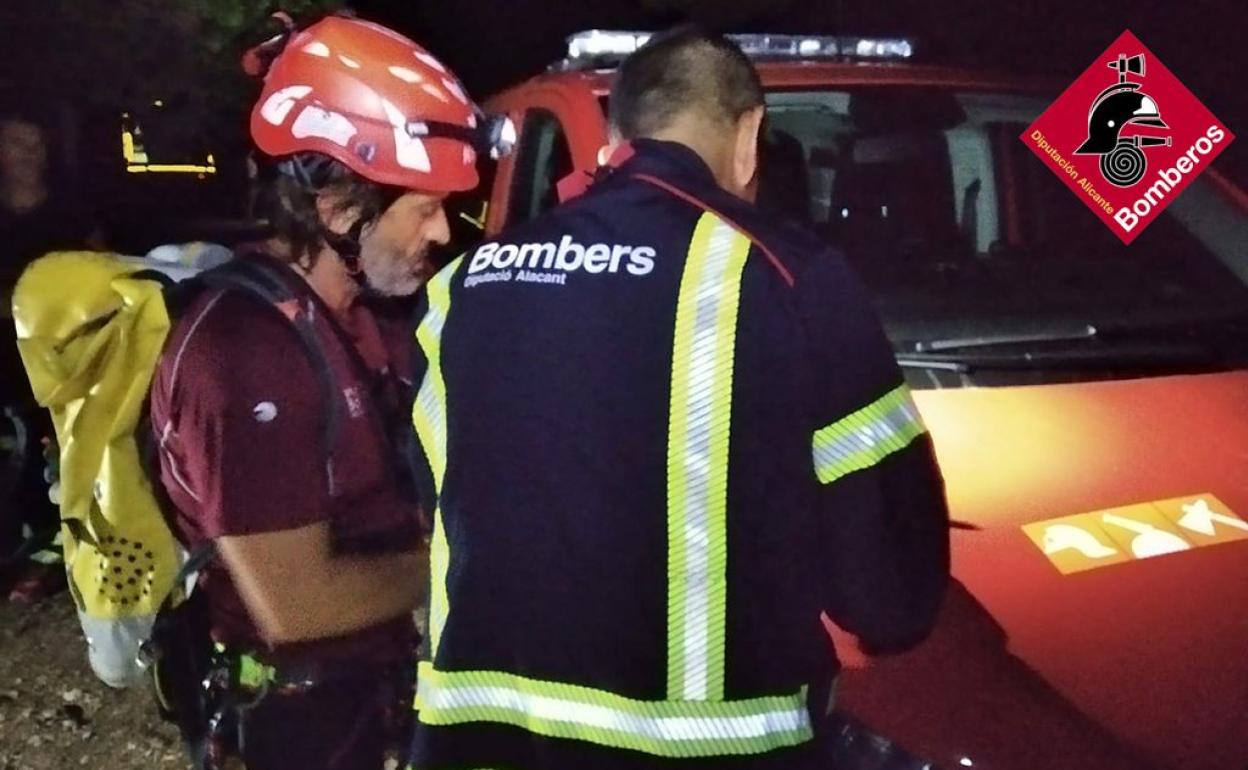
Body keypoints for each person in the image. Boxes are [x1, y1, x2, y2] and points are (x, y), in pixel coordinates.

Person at [404, 27, 951, 770]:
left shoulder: (462, 287)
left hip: (475, 744)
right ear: (749, 135)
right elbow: (889, 591)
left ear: (621, 134)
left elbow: (443, 497)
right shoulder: (787, 276)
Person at [148, 14, 496, 770]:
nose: (443, 233)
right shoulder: (243, 355)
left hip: (379, 690)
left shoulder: (371, 315)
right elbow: (299, 604)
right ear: (340, 205)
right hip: (299, 717)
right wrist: (482, 560)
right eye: (425, 207)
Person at [1, 109, 99, 603]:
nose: (29, 156)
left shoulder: (70, 214)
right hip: (4, 355)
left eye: (37, 145)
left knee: (54, 450)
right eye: (18, 144)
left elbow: (99, 277)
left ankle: (55, 548)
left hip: (56, 358)